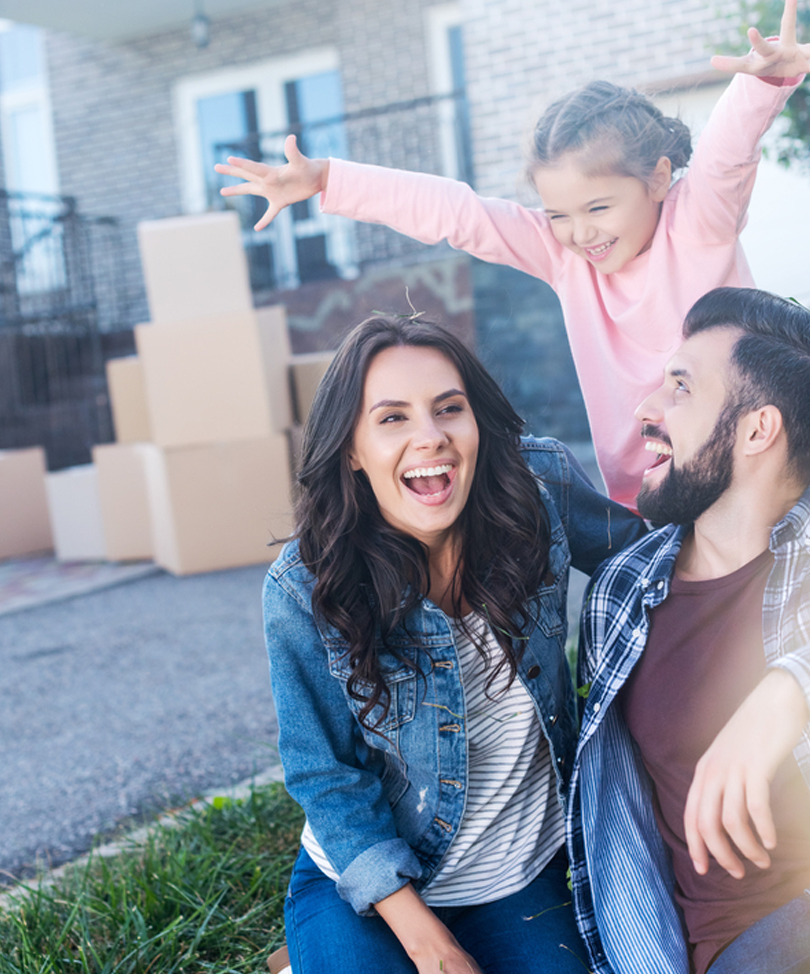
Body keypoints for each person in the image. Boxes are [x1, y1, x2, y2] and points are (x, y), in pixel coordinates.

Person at [215, 0, 810, 509]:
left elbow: (730, 149)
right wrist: (328, 178)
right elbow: (456, 213)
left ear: (657, 178)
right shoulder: (563, 256)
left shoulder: (698, 221)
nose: (580, 233)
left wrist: (766, 80)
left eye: (598, 209)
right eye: (559, 214)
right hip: (646, 497)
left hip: (747, 471)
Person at [262, 313, 647, 974]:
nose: (431, 438)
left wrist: (793, 515)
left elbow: (656, 561)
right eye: (392, 419)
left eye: (449, 409)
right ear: (351, 448)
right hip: (369, 888)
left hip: (515, 877)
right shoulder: (306, 584)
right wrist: (426, 943)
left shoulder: (538, 489)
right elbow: (326, 775)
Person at [567, 287, 810, 973]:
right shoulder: (621, 595)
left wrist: (792, 690)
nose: (645, 409)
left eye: (680, 389)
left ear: (755, 431)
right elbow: (621, 833)